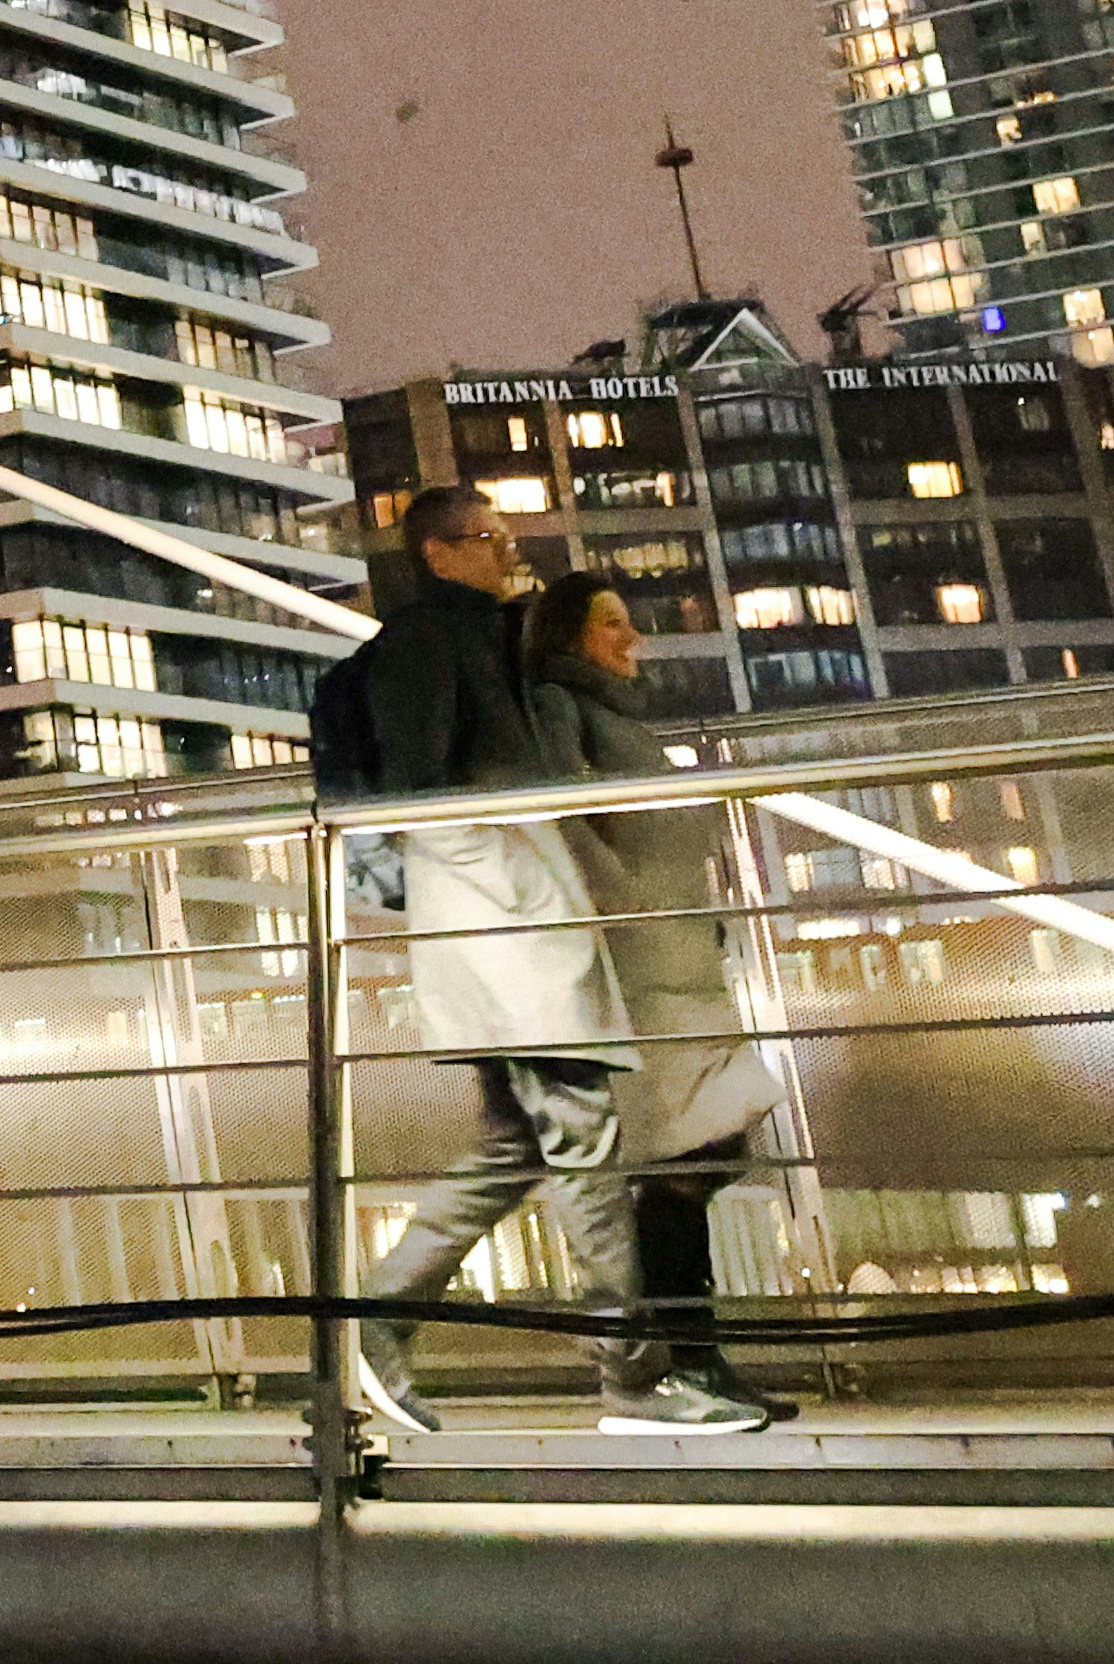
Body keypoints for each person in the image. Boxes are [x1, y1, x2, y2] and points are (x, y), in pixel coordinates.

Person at [312, 512, 788, 1440]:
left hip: (524, 931)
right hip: (509, 936)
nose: (505, 546)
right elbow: (418, 796)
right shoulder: (426, 640)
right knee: (583, 1144)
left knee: (517, 1146)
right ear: (435, 551)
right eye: (482, 533)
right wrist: (517, 894)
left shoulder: (487, 640)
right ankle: (633, 1379)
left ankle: (373, 1325)